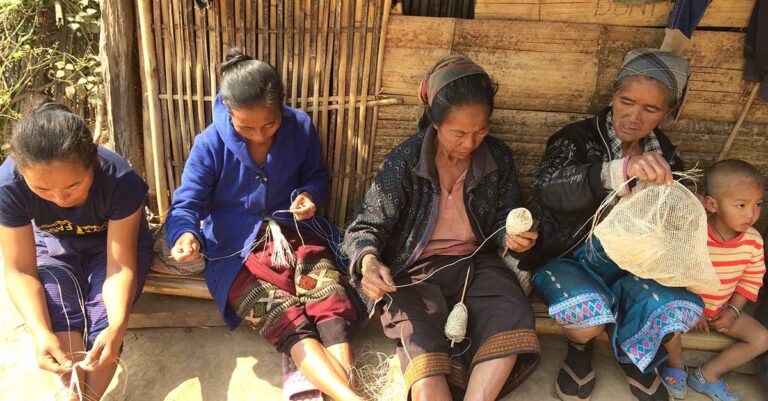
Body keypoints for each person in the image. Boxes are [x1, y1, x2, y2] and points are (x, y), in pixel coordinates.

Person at [165, 48, 360, 401]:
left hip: (296, 236)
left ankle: (338, 394)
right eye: (246, 127)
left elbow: (317, 176)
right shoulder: (209, 144)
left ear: (282, 107)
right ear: (226, 107)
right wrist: (186, 234)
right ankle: (351, 397)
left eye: (269, 125)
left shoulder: (299, 126)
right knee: (283, 317)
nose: (259, 134)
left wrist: (308, 196)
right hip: (235, 252)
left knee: (329, 299)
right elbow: (186, 203)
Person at [343, 54, 541, 401]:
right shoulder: (404, 162)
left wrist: (510, 236)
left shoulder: (497, 158)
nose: (470, 143)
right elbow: (365, 226)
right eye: (459, 133)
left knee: (511, 311)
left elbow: (501, 218)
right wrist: (369, 263)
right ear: (435, 121)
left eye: (481, 131)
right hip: (413, 271)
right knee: (418, 336)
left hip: (475, 265)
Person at [523, 48, 705, 401]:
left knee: (669, 306)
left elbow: (671, 223)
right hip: (567, 256)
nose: (634, 116)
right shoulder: (575, 139)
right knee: (587, 314)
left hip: (631, 268)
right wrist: (617, 171)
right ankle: (581, 350)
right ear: (613, 95)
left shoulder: (666, 157)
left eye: (650, 109)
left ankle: (635, 354)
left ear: (668, 113)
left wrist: (683, 206)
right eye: (627, 101)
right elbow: (546, 188)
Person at [0, 100, 153, 401]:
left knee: (104, 319)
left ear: (93, 163)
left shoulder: (119, 180)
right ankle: (73, 395)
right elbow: (20, 270)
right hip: (53, 242)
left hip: (111, 243)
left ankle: (88, 397)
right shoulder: (9, 186)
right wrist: (40, 332)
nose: (59, 197)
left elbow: (119, 267)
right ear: (22, 173)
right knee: (57, 308)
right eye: (42, 190)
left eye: (73, 185)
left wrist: (117, 327)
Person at [661, 160, 767, 401]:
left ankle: (708, 374)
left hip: (720, 310)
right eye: (741, 205)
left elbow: (751, 281)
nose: (751, 214)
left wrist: (732, 311)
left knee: (762, 338)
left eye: (758, 204)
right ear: (712, 204)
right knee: (666, 321)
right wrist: (692, 305)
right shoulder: (694, 233)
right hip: (684, 305)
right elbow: (675, 271)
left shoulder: (753, 241)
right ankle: (676, 364)